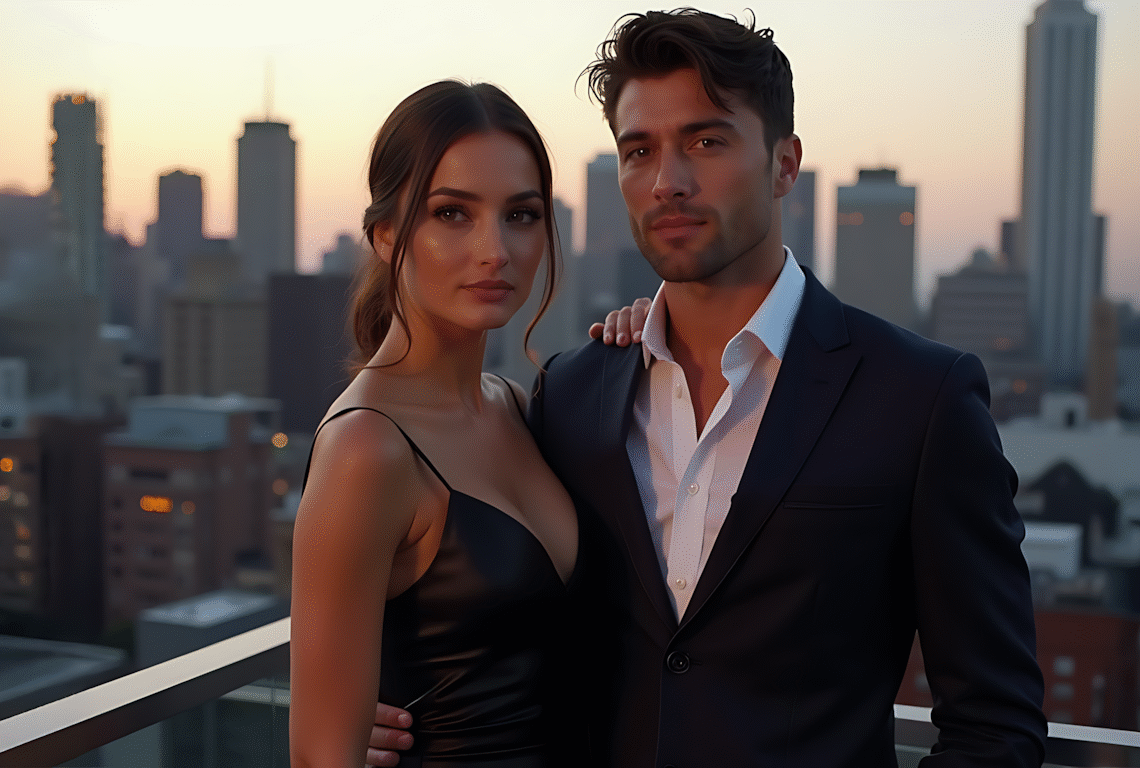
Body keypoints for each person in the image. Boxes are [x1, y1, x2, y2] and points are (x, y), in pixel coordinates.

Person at [367, 9, 1048, 768]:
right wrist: (384, 716)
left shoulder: (920, 398)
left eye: (706, 140)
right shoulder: (571, 394)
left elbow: (995, 723)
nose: (668, 182)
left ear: (784, 163)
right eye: (639, 150)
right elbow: (498, 613)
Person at [291, 80, 642, 768]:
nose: (495, 250)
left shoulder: (513, 405)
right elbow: (320, 757)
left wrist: (645, 335)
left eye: (521, 214)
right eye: (453, 213)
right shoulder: (366, 448)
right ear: (387, 234)